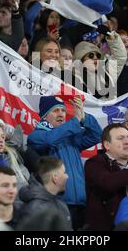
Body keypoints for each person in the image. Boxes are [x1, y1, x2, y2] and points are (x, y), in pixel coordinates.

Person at [27, 96, 102, 229]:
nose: (61, 113)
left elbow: (96, 135)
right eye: (55, 110)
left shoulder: (72, 137)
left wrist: (84, 117)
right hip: (56, 202)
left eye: (63, 110)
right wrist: (75, 120)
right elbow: (51, 139)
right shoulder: (36, 136)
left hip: (81, 203)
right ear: (44, 116)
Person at [84, 123, 128, 230]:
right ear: (107, 145)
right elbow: (107, 183)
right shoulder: (94, 163)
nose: (127, 141)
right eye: (120, 138)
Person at [19, 156, 71, 230]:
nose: (67, 176)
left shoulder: (61, 204)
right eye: (64, 172)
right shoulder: (35, 209)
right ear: (55, 178)